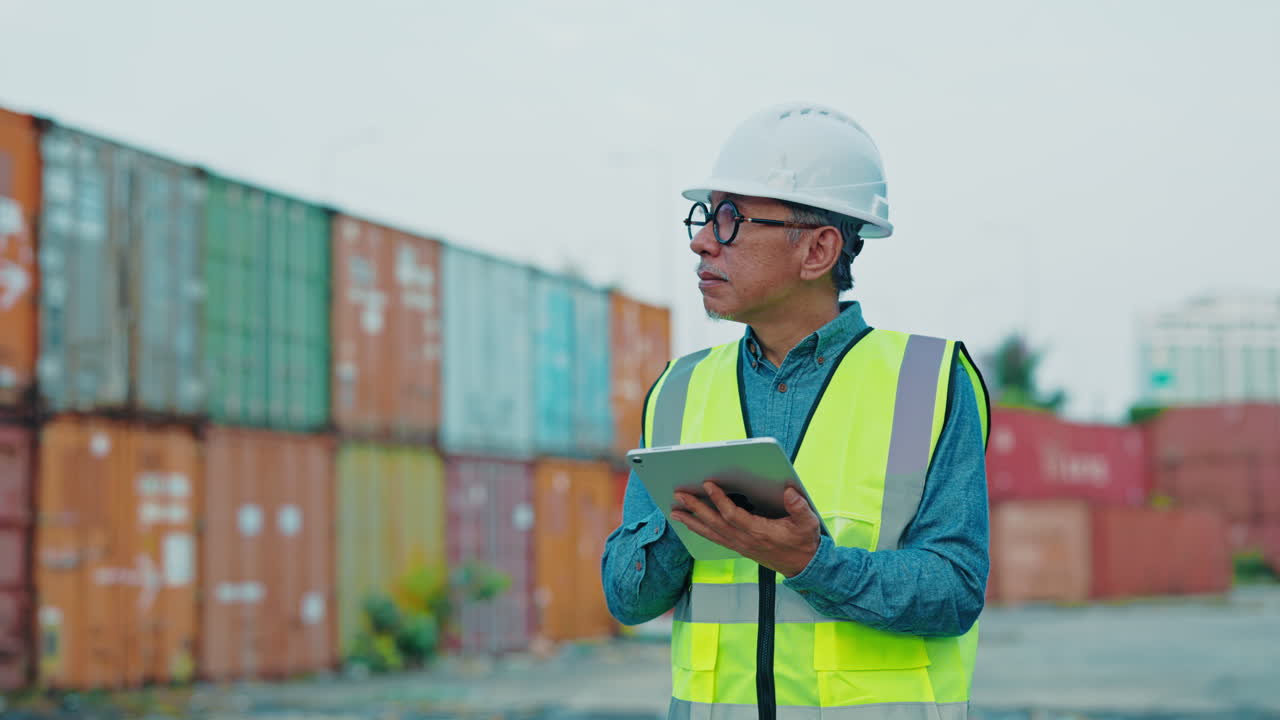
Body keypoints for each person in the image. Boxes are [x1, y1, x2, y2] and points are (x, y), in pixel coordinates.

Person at [600, 102, 992, 720]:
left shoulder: (932, 380)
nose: (703, 241)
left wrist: (813, 564)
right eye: (705, 216)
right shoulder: (679, 388)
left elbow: (956, 588)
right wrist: (690, 526)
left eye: (731, 219)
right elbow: (627, 596)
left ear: (818, 250)